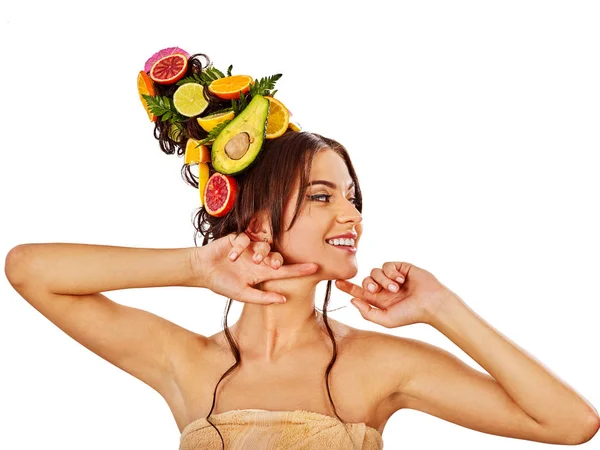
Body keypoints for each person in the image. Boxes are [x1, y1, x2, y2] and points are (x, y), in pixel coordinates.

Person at [5, 49, 599, 450]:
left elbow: (572, 423)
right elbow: (29, 269)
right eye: (322, 196)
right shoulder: (186, 361)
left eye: (353, 196)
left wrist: (443, 308)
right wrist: (193, 267)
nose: (353, 215)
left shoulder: (380, 365)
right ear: (257, 220)